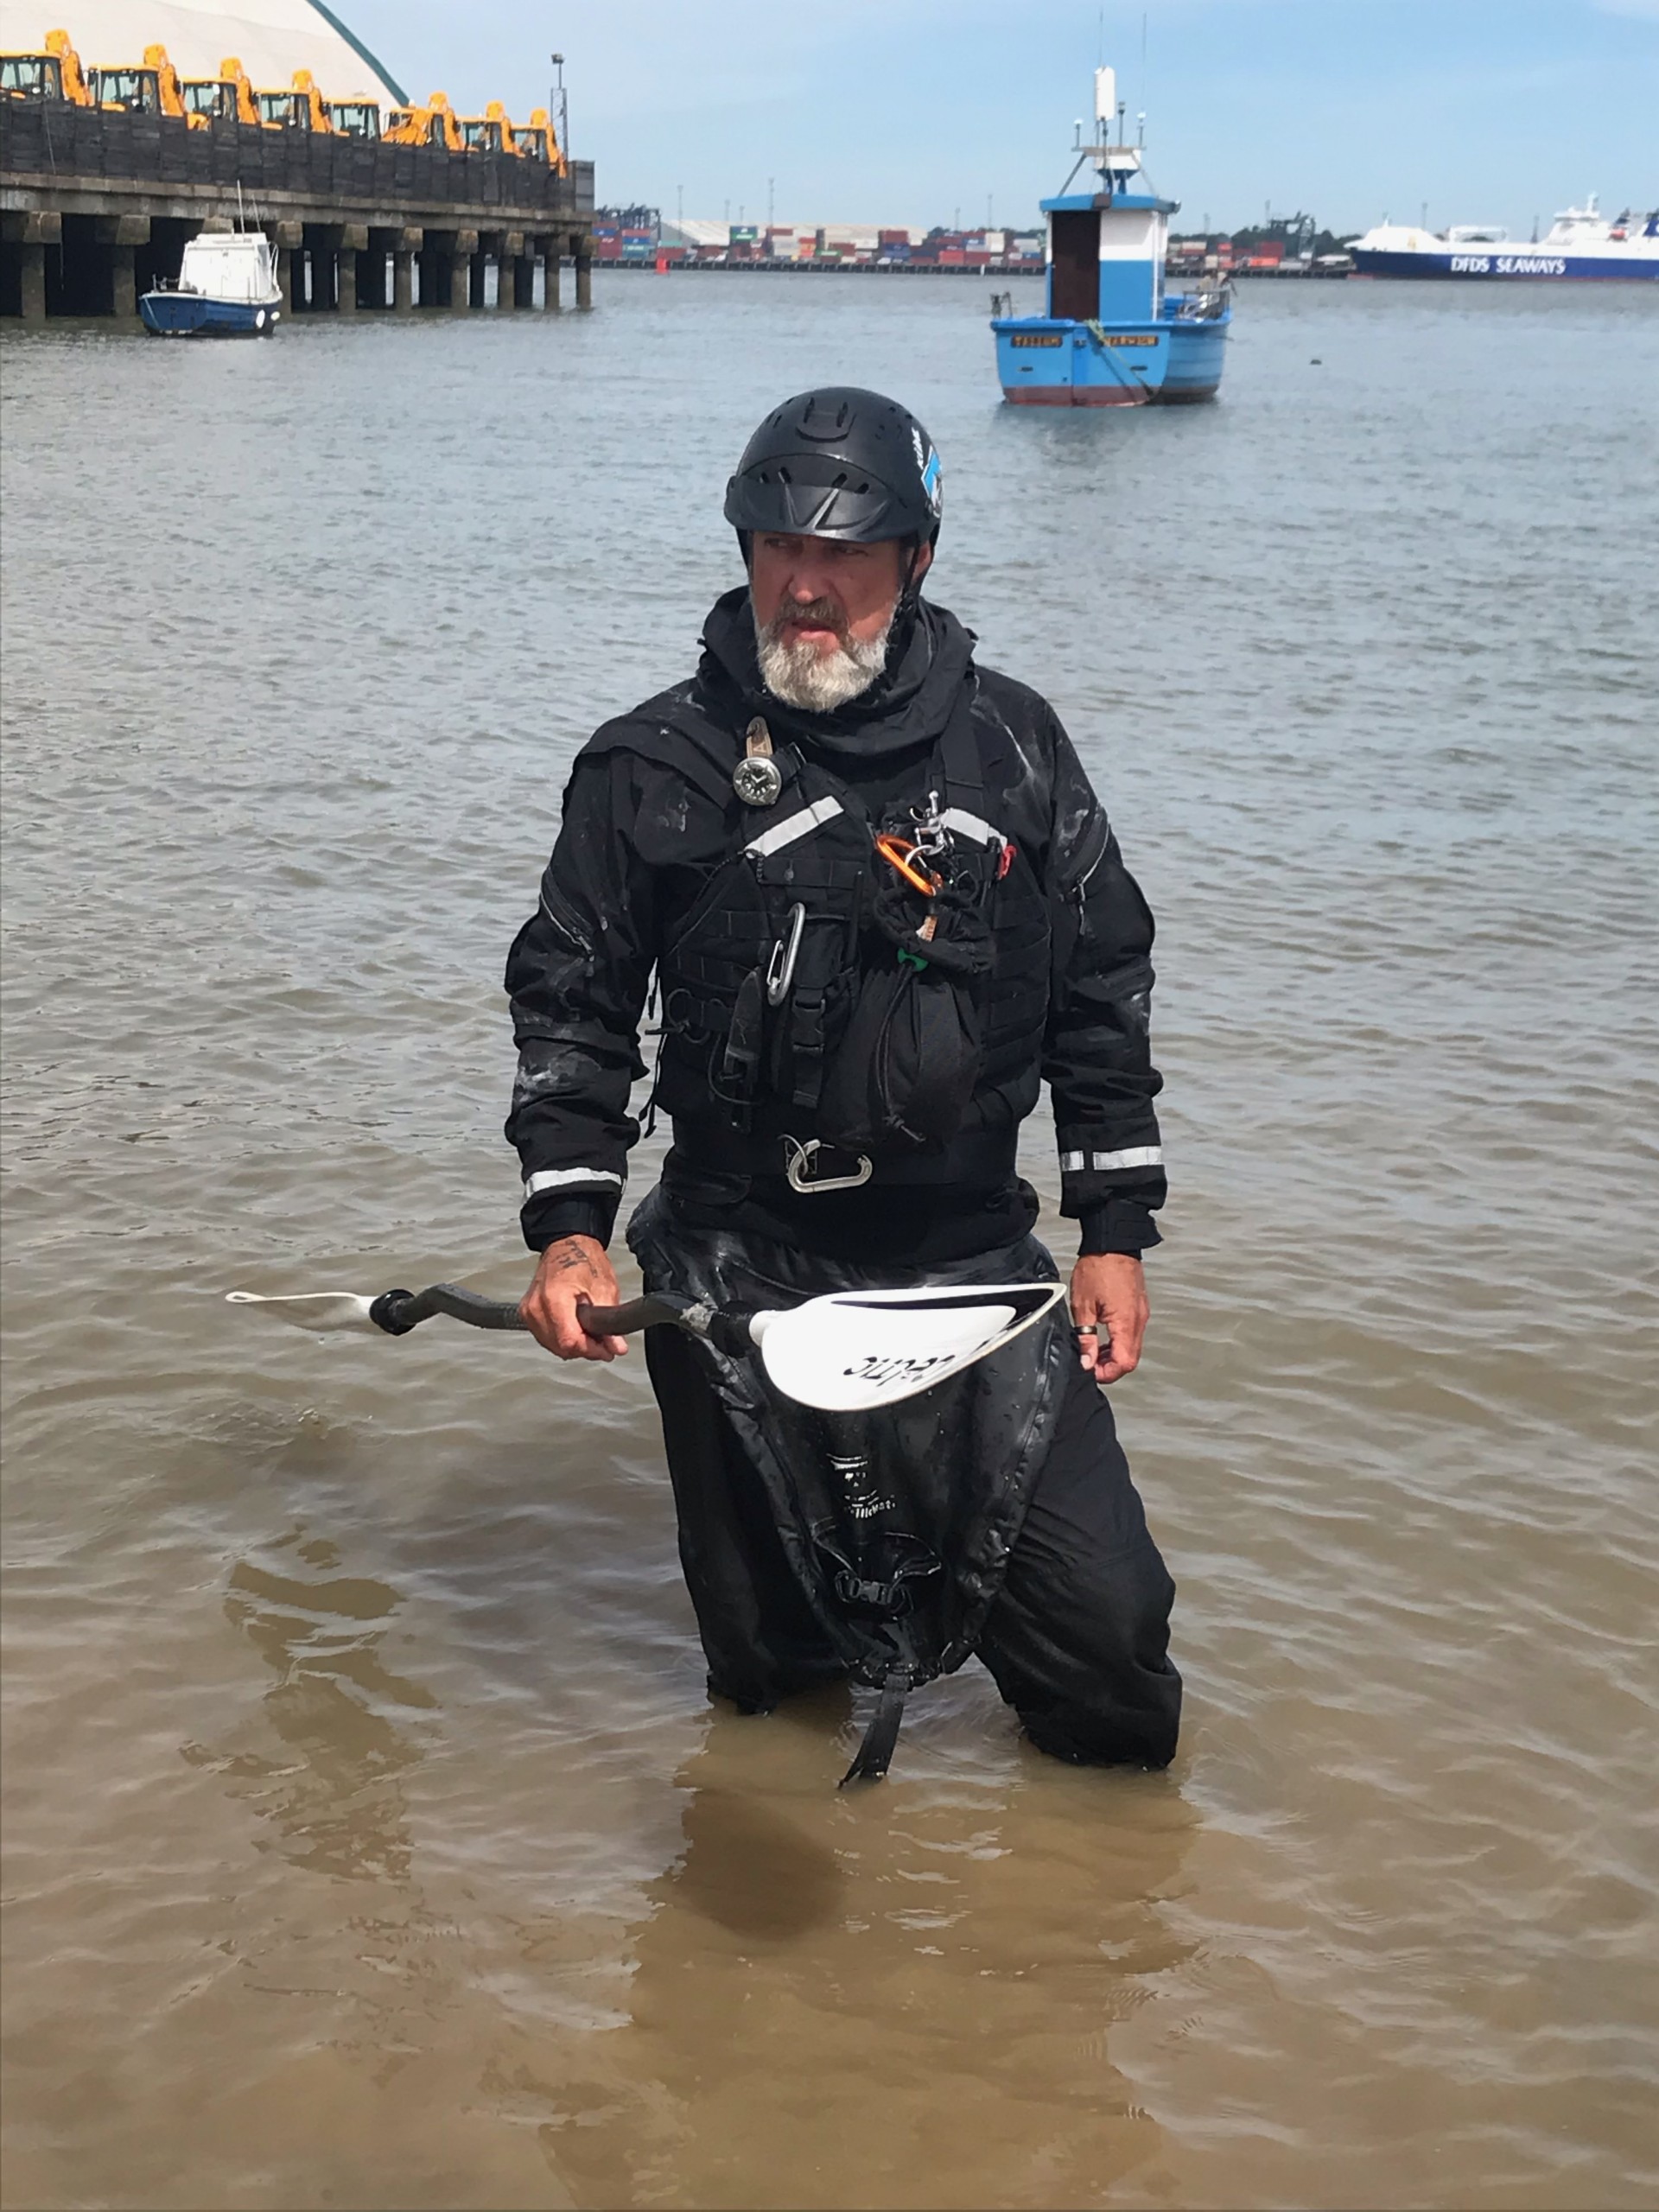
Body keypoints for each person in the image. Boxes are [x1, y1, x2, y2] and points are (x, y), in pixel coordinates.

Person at [506, 387, 1179, 1778]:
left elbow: (1099, 989)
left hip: (968, 1259)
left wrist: (1112, 1232)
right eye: (776, 548)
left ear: (918, 560)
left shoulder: (1017, 746)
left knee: (1111, 1666)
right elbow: (572, 1003)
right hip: (734, 1263)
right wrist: (569, 1233)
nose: (805, 586)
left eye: (847, 557)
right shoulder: (650, 767)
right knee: (774, 1703)